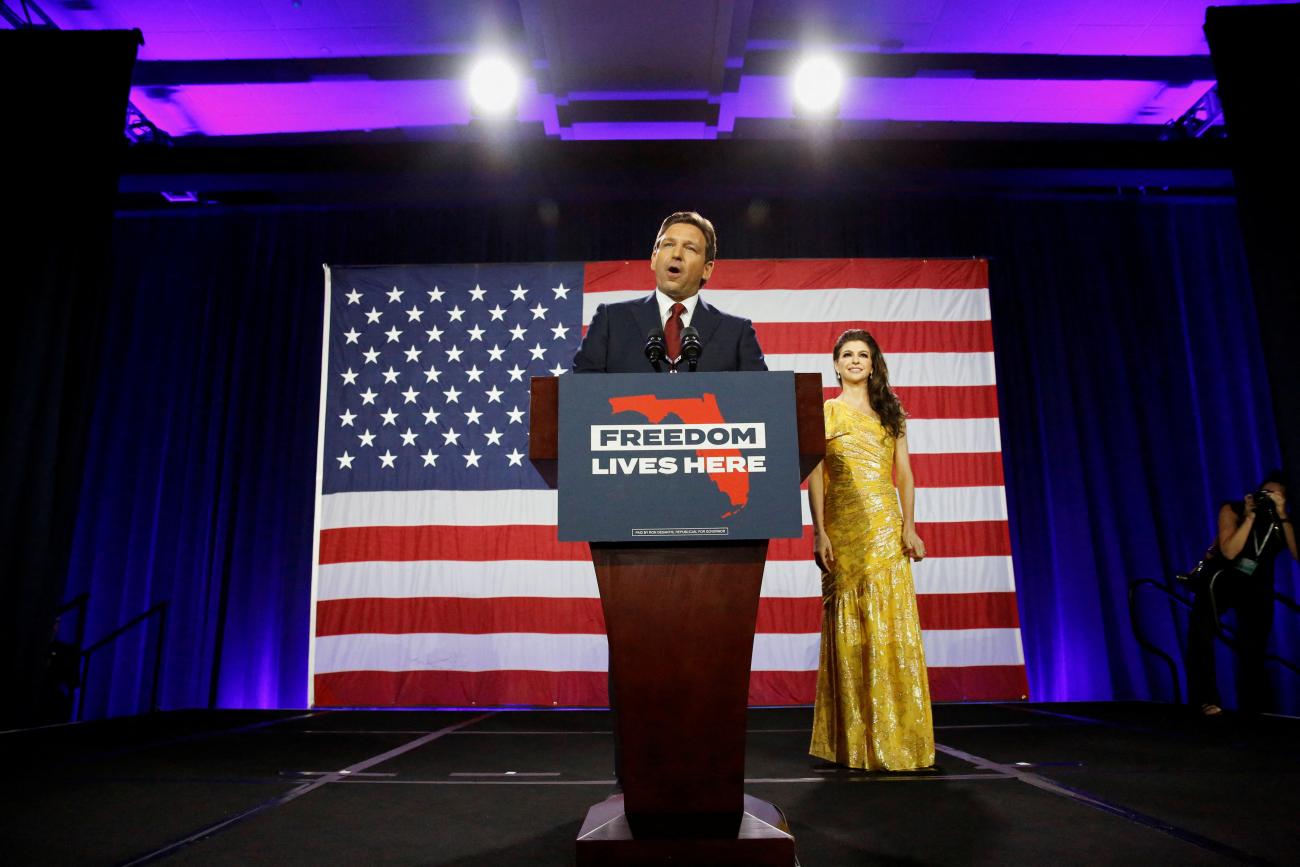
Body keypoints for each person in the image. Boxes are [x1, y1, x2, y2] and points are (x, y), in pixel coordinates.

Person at [807, 328, 934, 770]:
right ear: (836, 363)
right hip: (842, 531)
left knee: (890, 621)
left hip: (885, 526)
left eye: (863, 354)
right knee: (849, 624)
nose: (856, 361)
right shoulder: (825, 412)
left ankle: (897, 736)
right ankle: (854, 743)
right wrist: (820, 531)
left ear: (873, 363)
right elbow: (817, 476)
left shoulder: (890, 412)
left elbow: (905, 475)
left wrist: (909, 527)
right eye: (848, 355)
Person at [571, 211, 767, 373]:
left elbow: (762, 398)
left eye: (690, 248)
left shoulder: (736, 333)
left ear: (707, 269)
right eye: (669, 245)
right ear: (654, 257)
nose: (676, 254)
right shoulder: (610, 321)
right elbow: (581, 392)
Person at [1187, 470, 1297, 715]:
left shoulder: (1284, 520)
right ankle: (1205, 699)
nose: (1267, 498)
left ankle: (1254, 707)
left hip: (1257, 584)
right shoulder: (1233, 509)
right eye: (1264, 493)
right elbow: (1228, 552)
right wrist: (1248, 519)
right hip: (1222, 578)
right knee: (1201, 633)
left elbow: (1296, 555)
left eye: (1275, 495)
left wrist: (1281, 514)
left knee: (1254, 647)